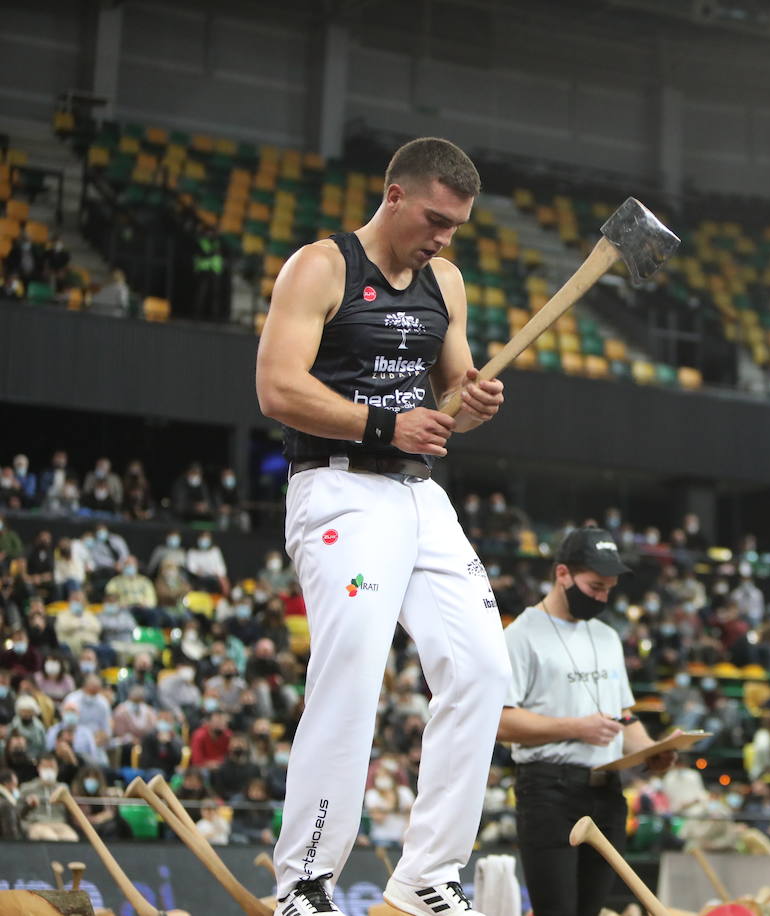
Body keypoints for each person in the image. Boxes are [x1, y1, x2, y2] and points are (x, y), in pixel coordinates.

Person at [256, 136, 508, 916]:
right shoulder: (321, 267)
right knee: (356, 667)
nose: (443, 237)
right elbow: (276, 388)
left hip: (417, 495)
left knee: (482, 672)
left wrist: (471, 408)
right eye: (435, 218)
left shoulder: (447, 282)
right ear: (394, 195)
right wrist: (381, 426)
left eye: (457, 225)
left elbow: (449, 404)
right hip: (338, 490)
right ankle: (304, 878)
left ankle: (428, 876)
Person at [498, 528, 676, 916]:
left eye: (608, 589)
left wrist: (650, 751)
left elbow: (623, 716)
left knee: (591, 911)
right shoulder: (521, 635)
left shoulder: (608, 636)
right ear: (563, 574)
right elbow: (500, 722)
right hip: (549, 790)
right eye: (595, 586)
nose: (602, 597)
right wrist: (574, 727)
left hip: (607, 791)